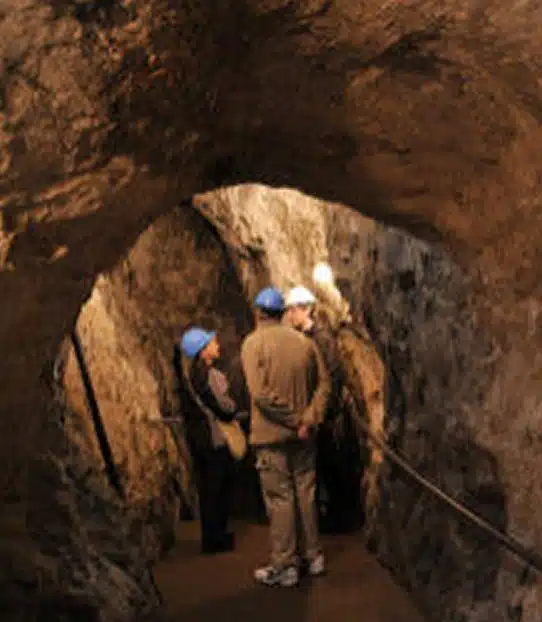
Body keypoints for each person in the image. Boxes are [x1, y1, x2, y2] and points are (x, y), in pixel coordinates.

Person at [241, 286, 330, 587]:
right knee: (306, 493)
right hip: (304, 436)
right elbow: (323, 385)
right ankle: (313, 555)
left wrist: (292, 420)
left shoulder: (253, 344)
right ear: (283, 312)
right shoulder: (305, 344)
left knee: (280, 499)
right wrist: (307, 419)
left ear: (258, 312)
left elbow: (260, 395)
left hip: (272, 436)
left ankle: (285, 564)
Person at [285, 285, 362, 534]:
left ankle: (339, 519)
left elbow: (332, 376)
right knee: (320, 468)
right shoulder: (305, 338)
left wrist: (325, 412)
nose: (289, 315)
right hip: (315, 412)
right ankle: (327, 515)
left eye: (293, 310)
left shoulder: (321, 338)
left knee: (331, 466)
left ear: (306, 309)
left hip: (326, 415)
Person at [179, 326, 247, 555]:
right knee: (218, 489)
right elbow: (226, 408)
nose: (217, 346)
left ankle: (211, 536)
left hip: (200, 439)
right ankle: (217, 538)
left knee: (208, 490)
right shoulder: (211, 376)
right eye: (212, 343)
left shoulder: (189, 378)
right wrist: (236, 411)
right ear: (203, 351)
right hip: (215, 437)